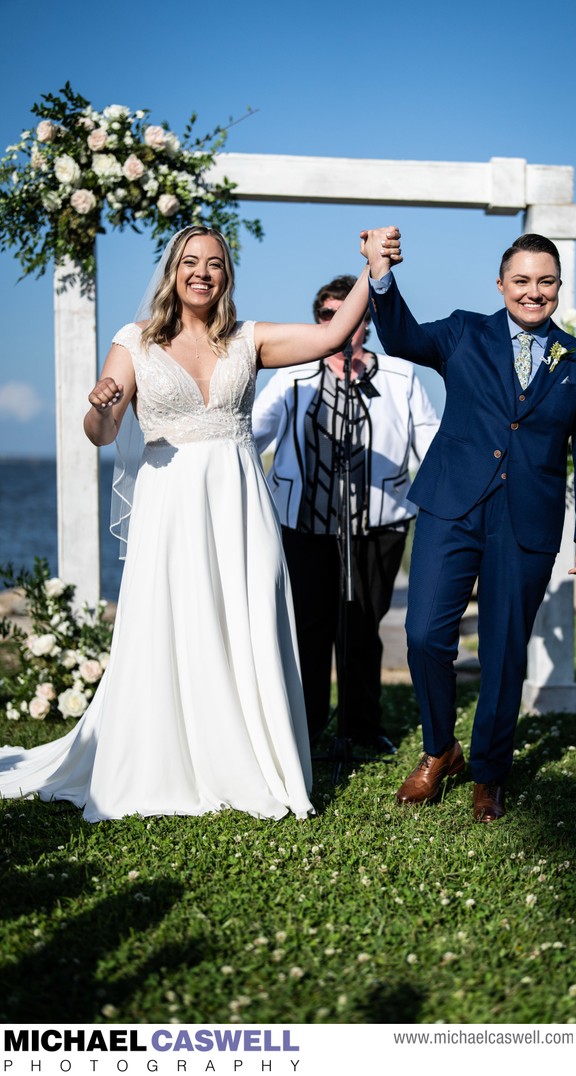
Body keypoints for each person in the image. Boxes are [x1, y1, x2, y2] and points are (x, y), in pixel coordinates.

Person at [0, 224, 401, 823]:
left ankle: (250, 759)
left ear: (226, 275)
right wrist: (103, 405)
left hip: (241, 505)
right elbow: (102, 432)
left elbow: (333, 332)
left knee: (248, 619)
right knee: (175, 622)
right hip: (171, 505)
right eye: (190, 261)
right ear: (172, 271)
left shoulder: (250, 339)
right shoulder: (132, 342)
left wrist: (374, 269)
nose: (202, 272)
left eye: (214, 263)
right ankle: (170, 760)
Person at [360, 228, 576, 821]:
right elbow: (400, 337)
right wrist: (380, 276)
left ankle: (490, 773)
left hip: (527, 521)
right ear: (501, 285)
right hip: (452, 506)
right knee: (423, 635)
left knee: (503, 652)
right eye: (521, 281)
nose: (533, 291)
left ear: (557, 286)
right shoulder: (463, 331)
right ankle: (440, 748)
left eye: (544, 281)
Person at [252, 275, 439, 753]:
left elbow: (432, 446)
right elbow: (251, 435)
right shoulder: (290, 375)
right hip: (304, 525)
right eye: (327, 316)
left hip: (379, 526)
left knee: (362, 628)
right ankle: (307, 727)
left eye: (347, 315)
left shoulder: (401, 376)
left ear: (365, 322)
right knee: (309, 630)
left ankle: (362, 727)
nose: (337, 325)